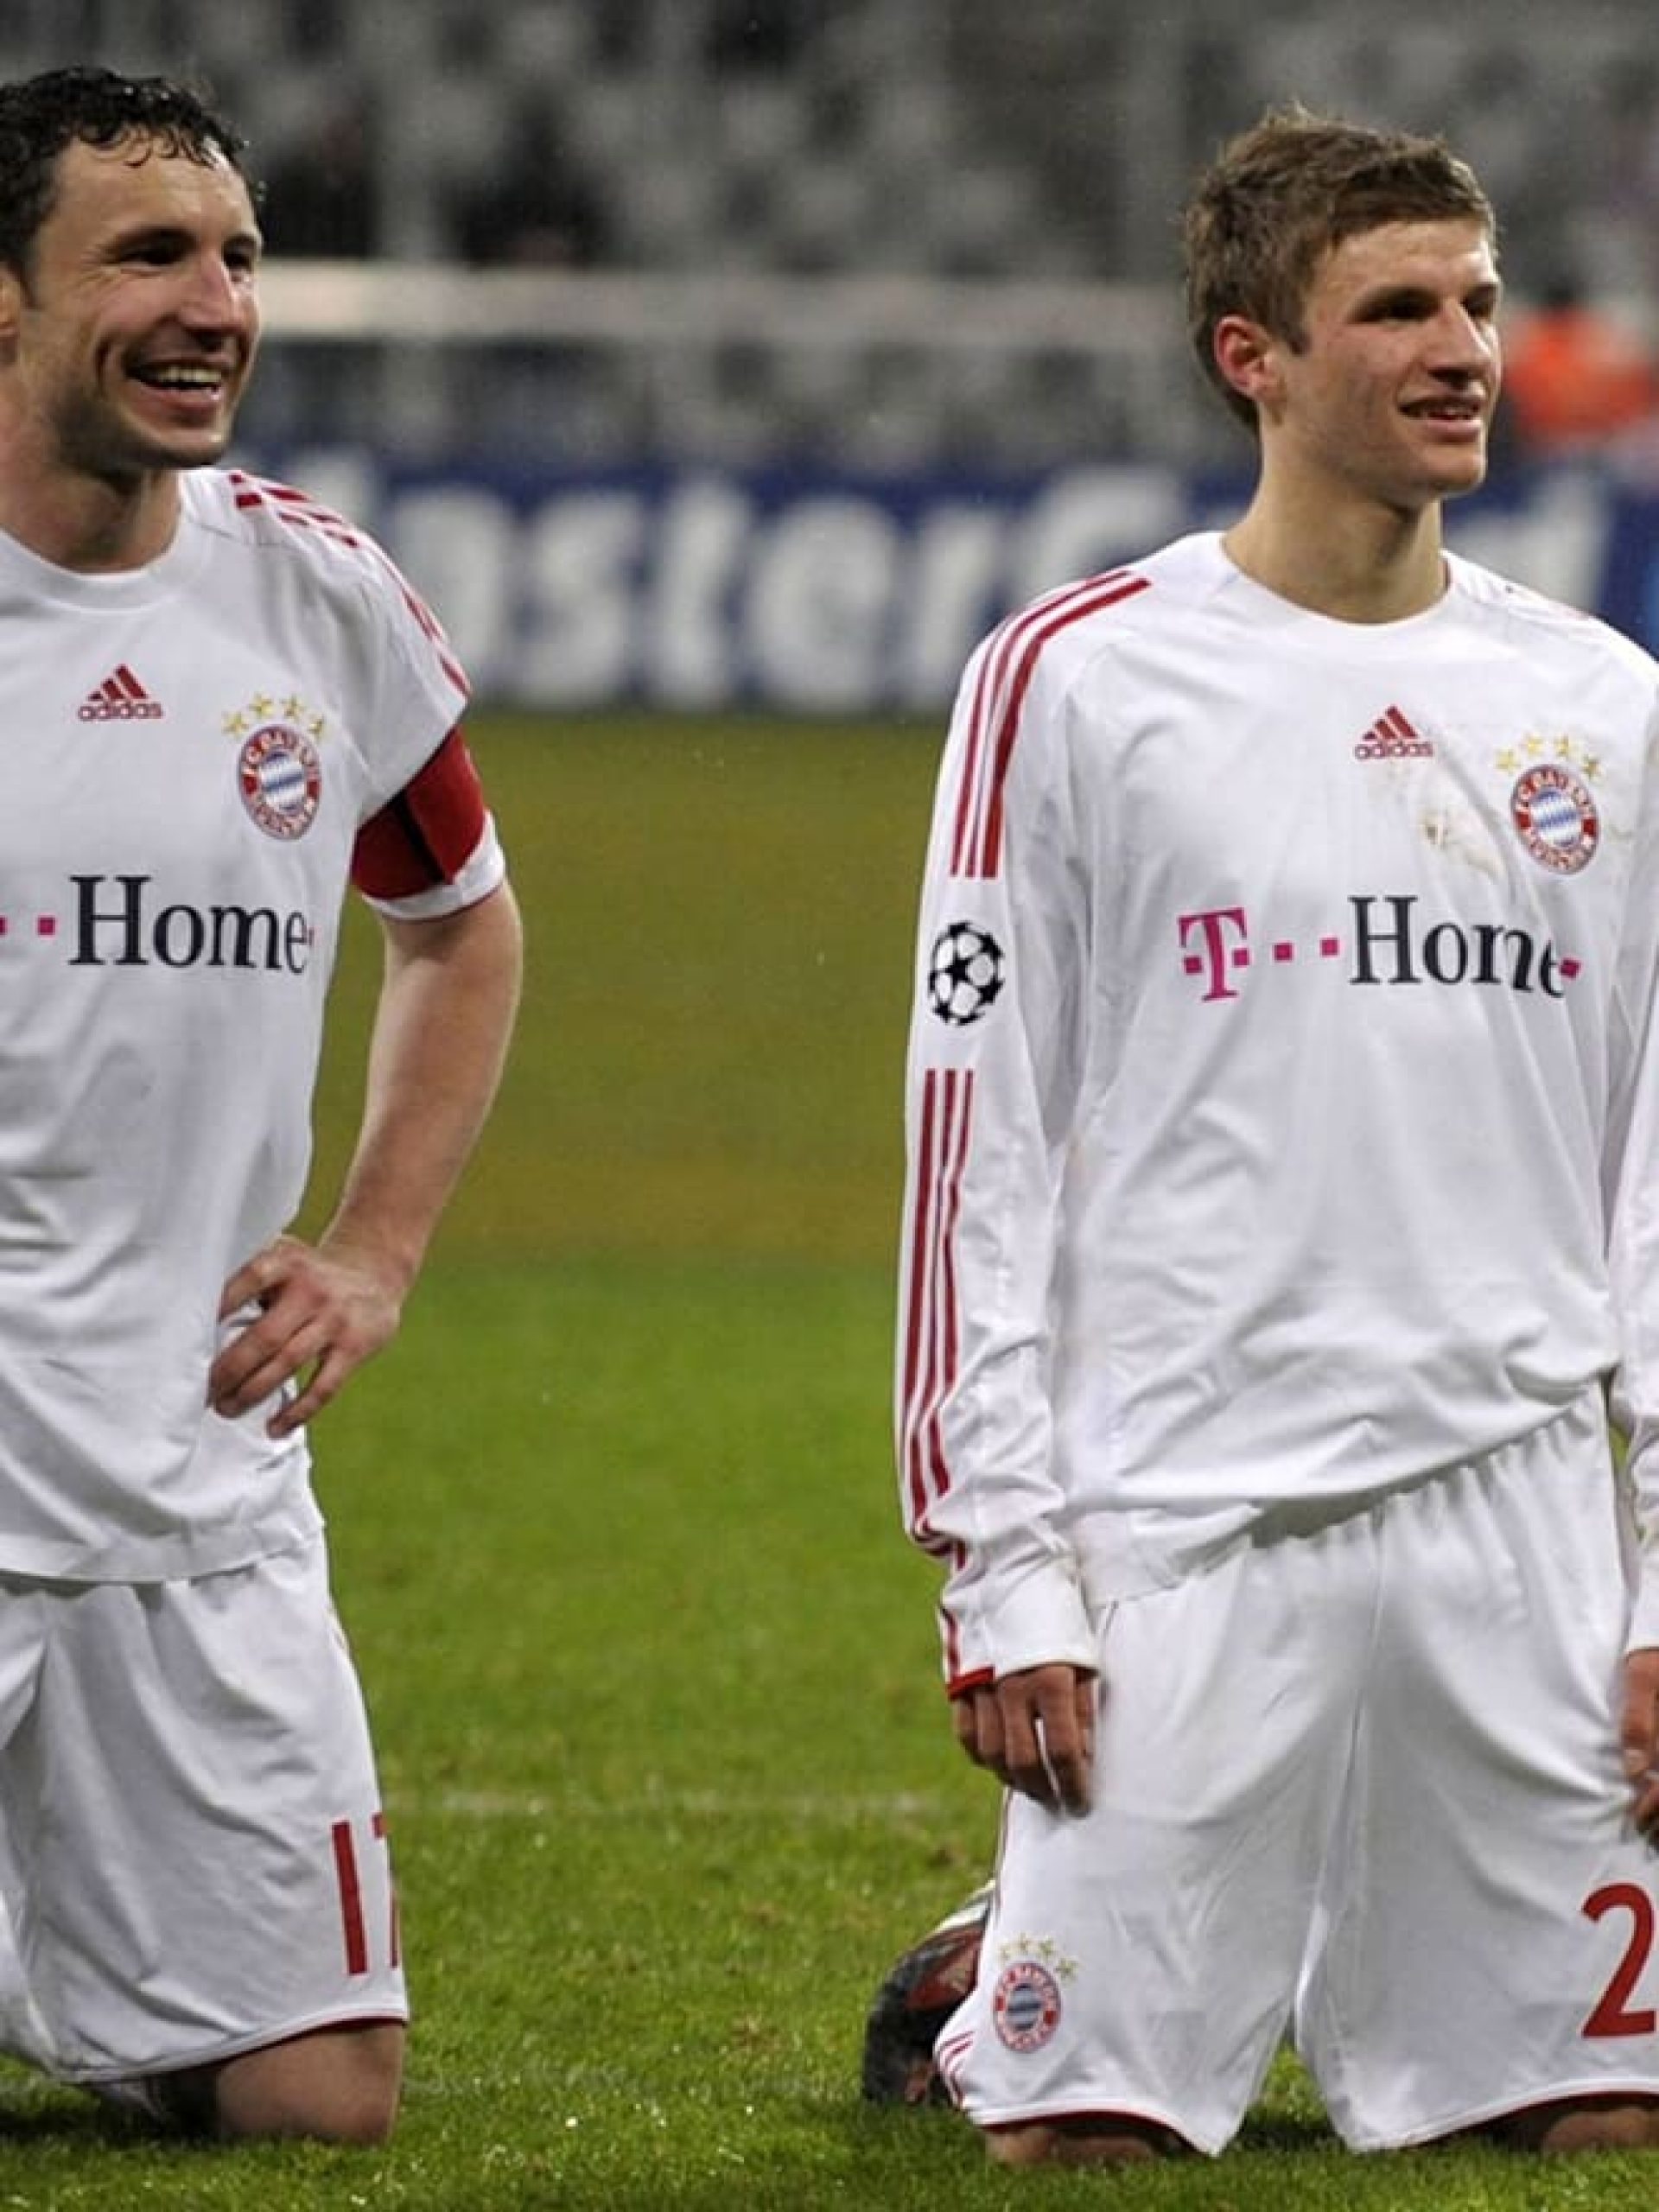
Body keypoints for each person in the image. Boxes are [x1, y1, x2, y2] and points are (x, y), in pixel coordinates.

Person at [890, 104, 1659, 2165]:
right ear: (1255, 357)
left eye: (1478, 301)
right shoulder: (1074, 680)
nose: (1465, 349)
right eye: (1396, 309)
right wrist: (1007, 1566)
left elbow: (1654, 1169)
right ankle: (993, 1972)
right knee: (1084, 2142)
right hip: (1188, 1504)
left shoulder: (1604, 702)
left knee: (1605, 2122)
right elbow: (979, 1138)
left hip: (1519, 1513)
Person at [0, 67, 522, 2143]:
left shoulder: (316, 595)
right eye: (147, 254)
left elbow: (461, 931)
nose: (214, 303)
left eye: (236, 255)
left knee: (321, 2103)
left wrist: (376, 1247)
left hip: (191, 1482)